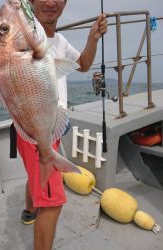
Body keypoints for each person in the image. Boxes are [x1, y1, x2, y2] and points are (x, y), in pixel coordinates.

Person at [17, 0, 108, 249]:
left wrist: (93, 37)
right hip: (34, 130)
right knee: (52, 203)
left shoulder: (60, 40)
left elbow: (84, 65)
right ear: (30, 2)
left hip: (50, 125)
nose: (50, 2)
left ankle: (28, 210)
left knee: (37, 175)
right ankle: (36, 208)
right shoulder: (25, 36)